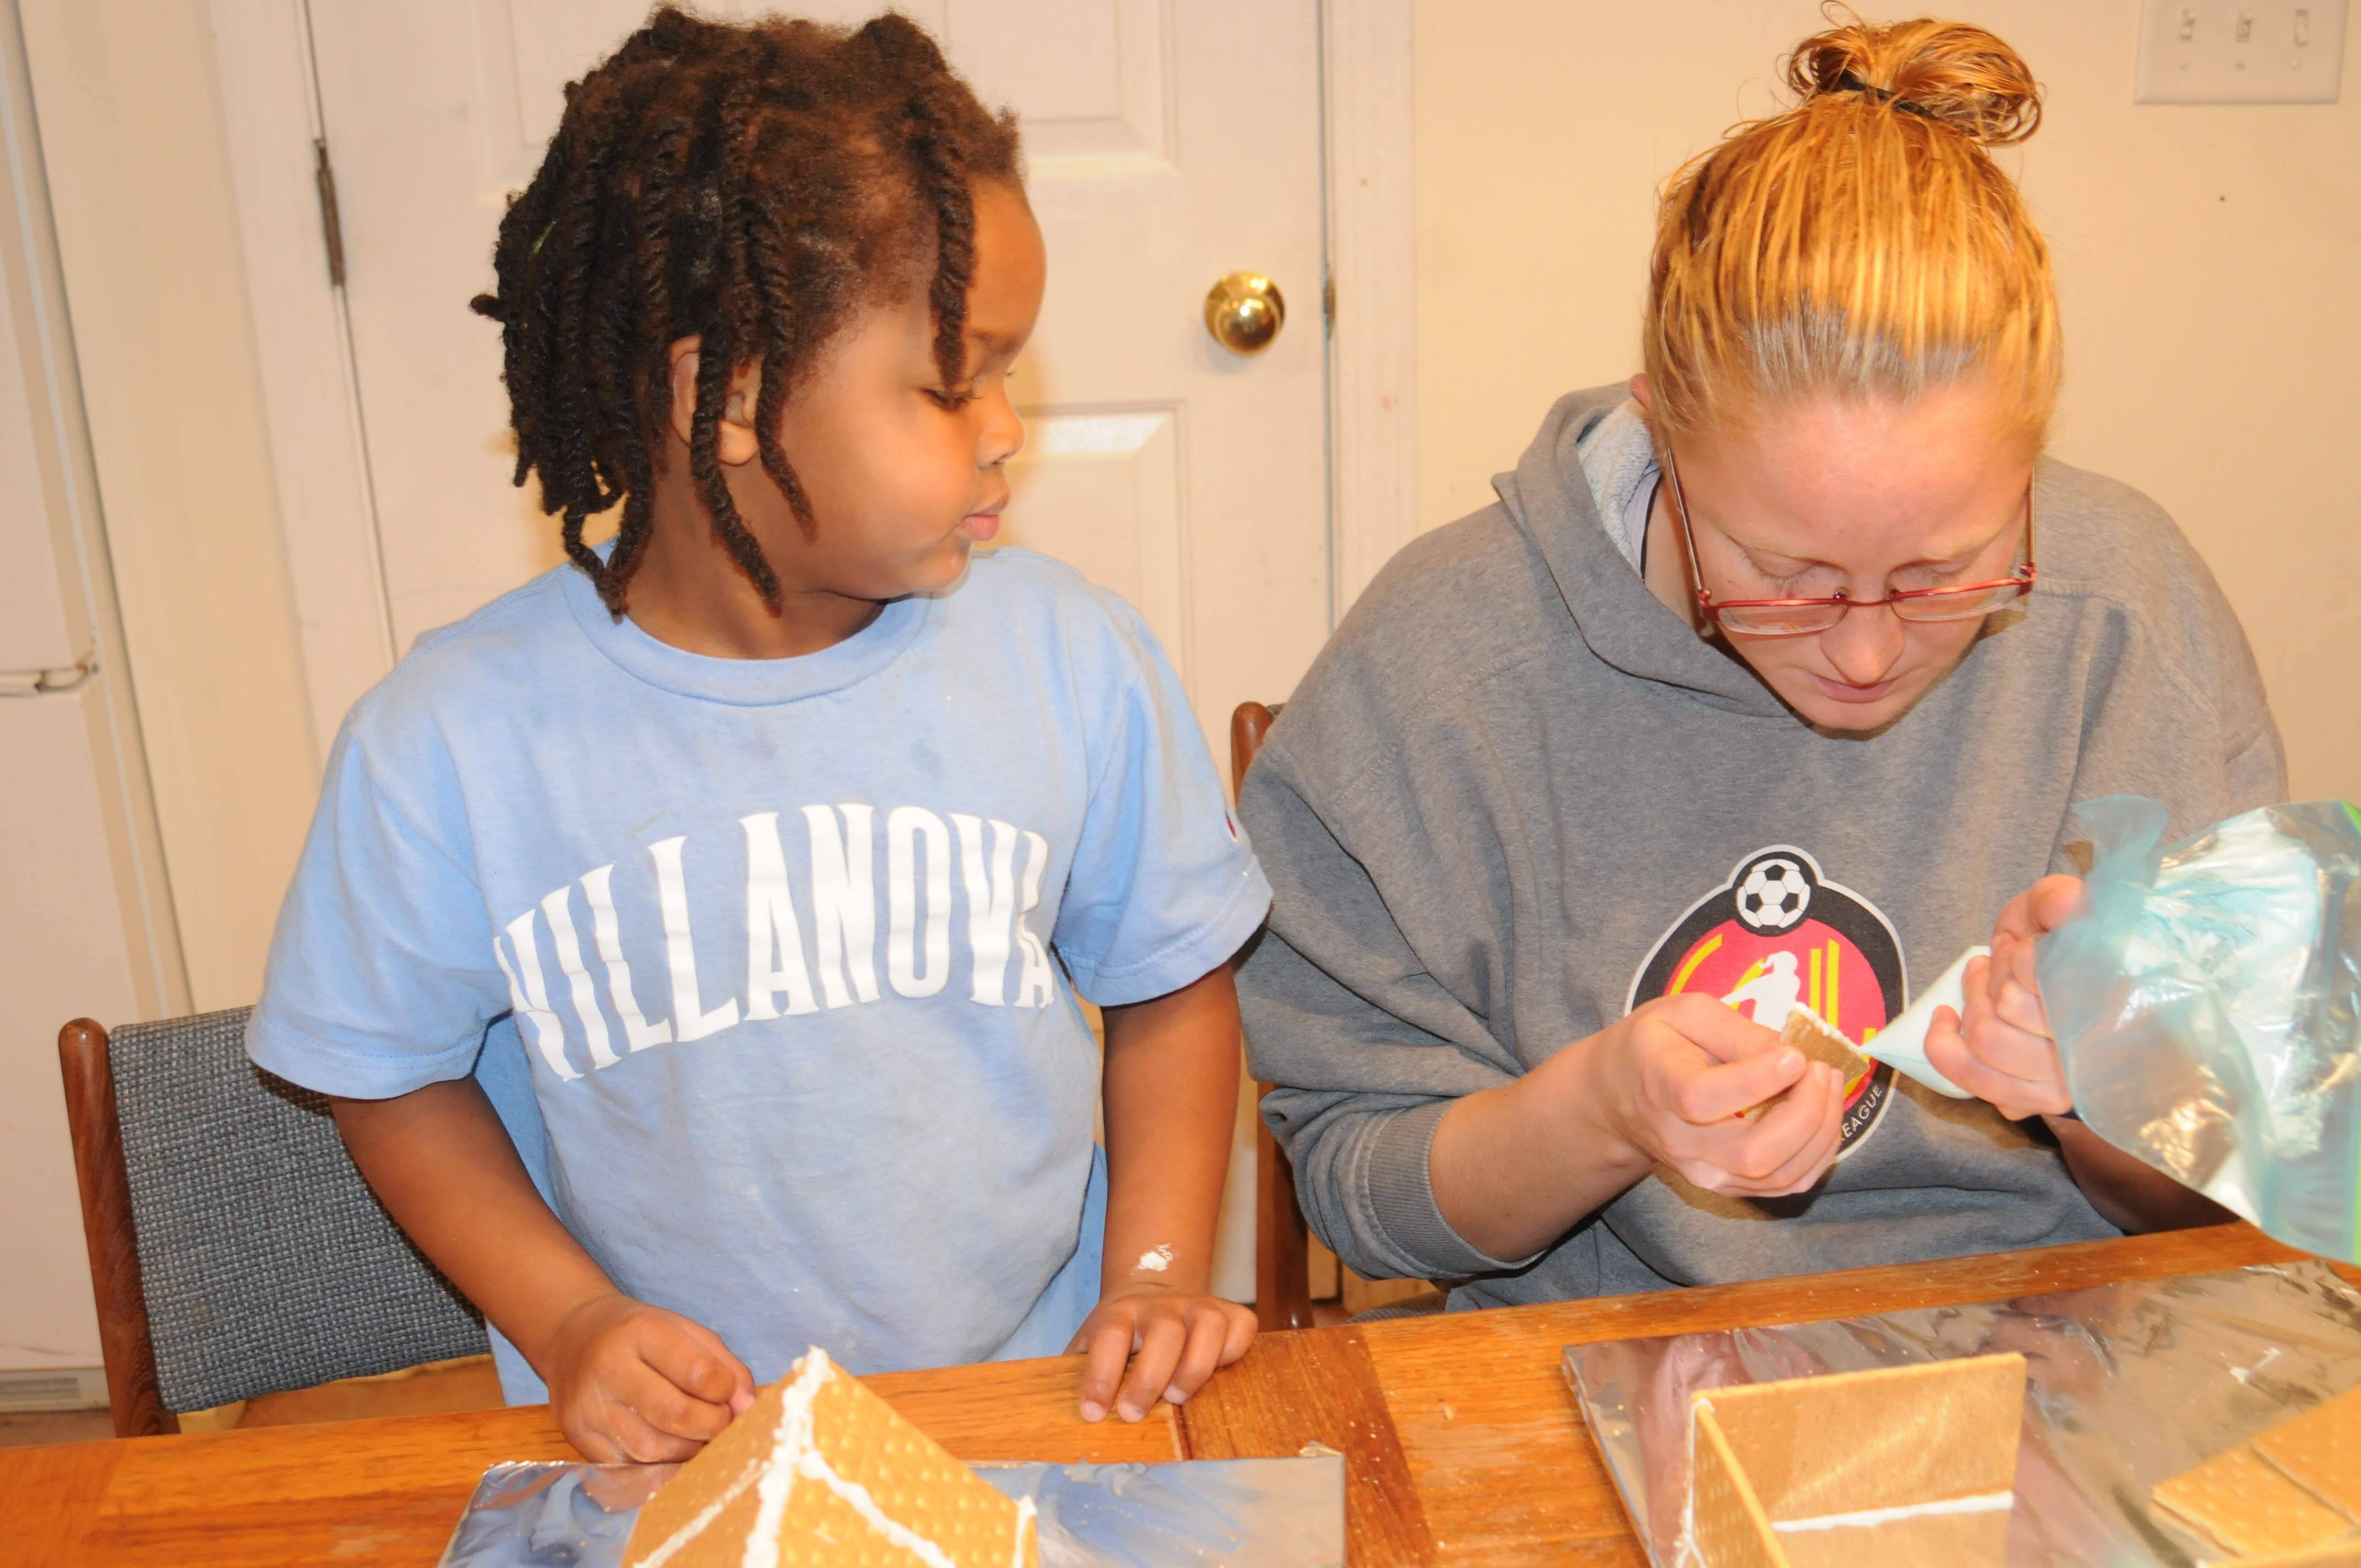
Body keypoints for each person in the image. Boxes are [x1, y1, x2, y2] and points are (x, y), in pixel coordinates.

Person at [244, 9, 1262, 1462]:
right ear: (722, 395)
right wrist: (570, 1322)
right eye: (951, 380)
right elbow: (388, 1076)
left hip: (1039, 1400)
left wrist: (1153, 1274)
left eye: (1007, 375)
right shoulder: (450, 744)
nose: (1003, 430)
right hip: (684, 1451)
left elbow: (1170, 985)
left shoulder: (1069, 659)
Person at [1236, 17, 2279, 1311]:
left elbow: (2220, 1194)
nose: (1863, 649)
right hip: (1597, 1355)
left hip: (2052, 1345)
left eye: (1943, 571)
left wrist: (2101, 1095)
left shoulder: (2127, 618)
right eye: (1786, 575)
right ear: (1660, 434)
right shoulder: (1442, 672)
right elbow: (1361, 1188)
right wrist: (1598, 1112)